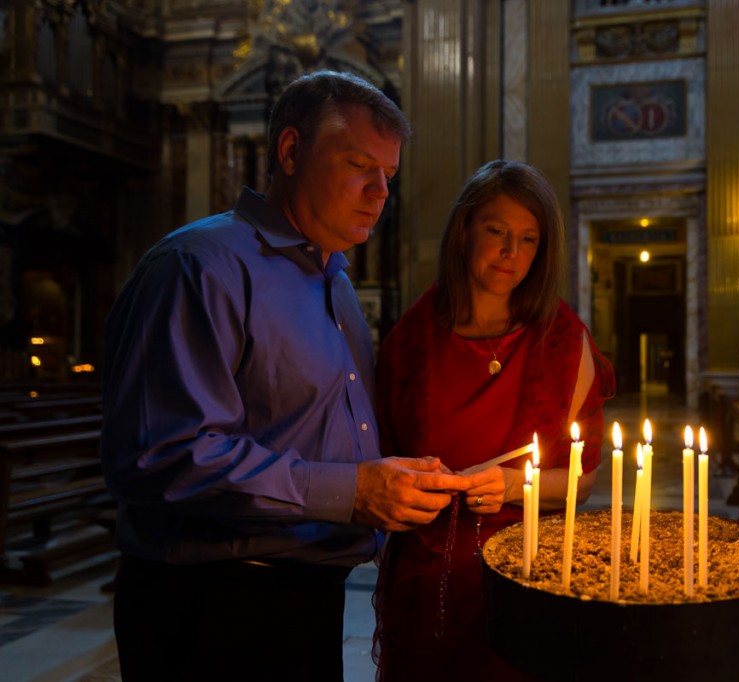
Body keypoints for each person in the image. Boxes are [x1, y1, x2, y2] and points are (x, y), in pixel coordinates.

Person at [100, 70, 470, 681]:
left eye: (389, 176)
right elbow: (164, 456)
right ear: (292, 151)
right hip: (214, 605)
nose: (380, 192)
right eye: (359, 165)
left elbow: (315, 432)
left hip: (305, 596)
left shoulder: (336, 282)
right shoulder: (200, 267)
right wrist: (352, 491)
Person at [372, 160, 616, 680]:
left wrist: (511, 486)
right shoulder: (408, 344)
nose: (512, 252)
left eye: (529, 239)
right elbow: (380, 464)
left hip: (525, 583)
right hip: (427, 587)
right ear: (464, 231)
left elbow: (583, 481)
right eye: (497, 231)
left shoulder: (563, 342)